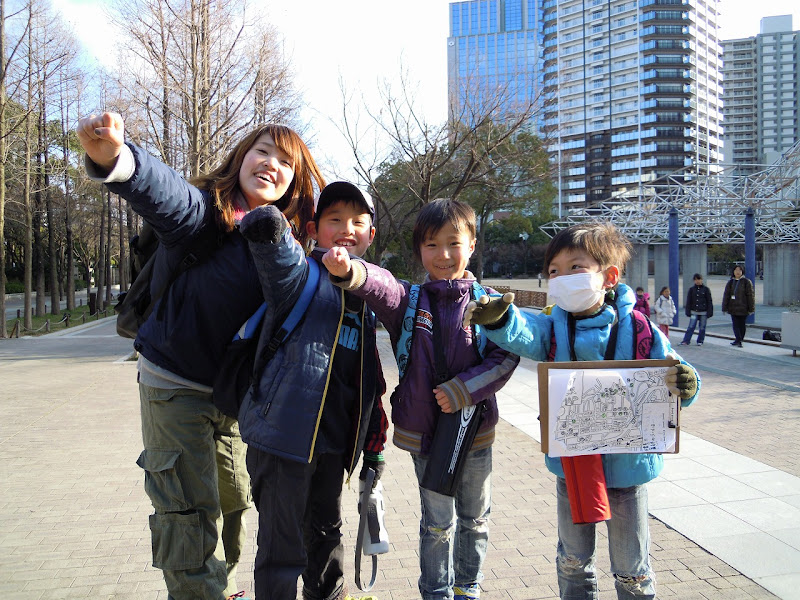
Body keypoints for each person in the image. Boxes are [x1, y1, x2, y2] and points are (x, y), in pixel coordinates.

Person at [77, 111, 325, 600]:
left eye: (285, 162)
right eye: (262, 151)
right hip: (174, 385)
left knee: (233, 502)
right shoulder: (204, 214)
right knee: (188, 513)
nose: (270, 164)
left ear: (295, 184)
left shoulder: (290, 244)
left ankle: (221, 589)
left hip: (231, 399)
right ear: (241, 158)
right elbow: (163, 191)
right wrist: (118, 159)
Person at [463, 222, 700, 600]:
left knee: (632, 570)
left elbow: (674, 370)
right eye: (553, 271)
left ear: (610, 276)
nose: (561, 278)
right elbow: (525, 331)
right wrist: (499, 319)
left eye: (575, 267)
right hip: (574, 463)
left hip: (629, 467)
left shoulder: (639, 327)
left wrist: (686, 384)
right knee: (573, 560)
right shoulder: (553, 326)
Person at [322, 198, 520, 600]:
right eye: (431, 245)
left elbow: (507, 355)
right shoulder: (409, 301)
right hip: (426, 436)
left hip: (476, 433)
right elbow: (380, 286)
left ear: (472, 245)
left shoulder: (489, 302)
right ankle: (436, 592)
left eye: (453, 243)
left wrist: (463, 389)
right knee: (437, 523)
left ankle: (467, 588)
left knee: (475, 519)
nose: (443, 255)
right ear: (419, 250)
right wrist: (351, 270)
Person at [236, 181, 388, 600]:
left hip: (334, 444)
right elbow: (276, 255)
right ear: (313, 229)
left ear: (371, 234)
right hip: (283, 440)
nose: (346, 229)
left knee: (326, 535)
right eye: (334, 219)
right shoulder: (300, 274)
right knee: (281, 547)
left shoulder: (366, 293)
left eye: (357, 221)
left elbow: (370, 378)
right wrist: (270, 222)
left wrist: (374, 444)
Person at [722, 265, 755, 347]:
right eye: (736, 270)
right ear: (733, 271)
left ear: (742, 272)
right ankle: (738, 339)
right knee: (735, 325)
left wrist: (751, 309)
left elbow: (750, 296)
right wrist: (724, 307)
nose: (737, 272)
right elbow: (726, 296)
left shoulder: (746, 282)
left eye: (739, 270)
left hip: (743, 308)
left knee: (742, 325)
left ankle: (740, 339)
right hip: (733, 308)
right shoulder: (730, 282)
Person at [680, 273, 713, 346]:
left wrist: (710, 311)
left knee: (702, 327)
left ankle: (700, 341)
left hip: (703, 312)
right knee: (691, 326)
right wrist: (688, 311)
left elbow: (709, 301)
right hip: (694, 311)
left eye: (699, 279)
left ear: (702, 280)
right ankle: (686, 340)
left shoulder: (706, 289)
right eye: (696, 280)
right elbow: (689, 301)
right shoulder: (691, 290)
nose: (697, 281)